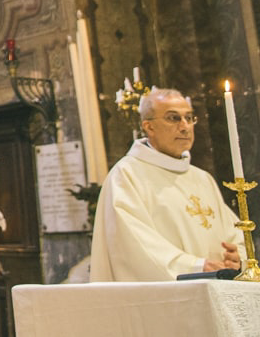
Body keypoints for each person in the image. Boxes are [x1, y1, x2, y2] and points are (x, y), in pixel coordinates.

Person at [90, 87, 244, 281]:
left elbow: (234, 233)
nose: (185, 126)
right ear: (149, 127)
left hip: (215, 291)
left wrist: (237, 256)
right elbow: (134, 246)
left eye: (189, 118)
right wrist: (195, 267)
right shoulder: (126, 176)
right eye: (173, 118)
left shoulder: (202, 179)